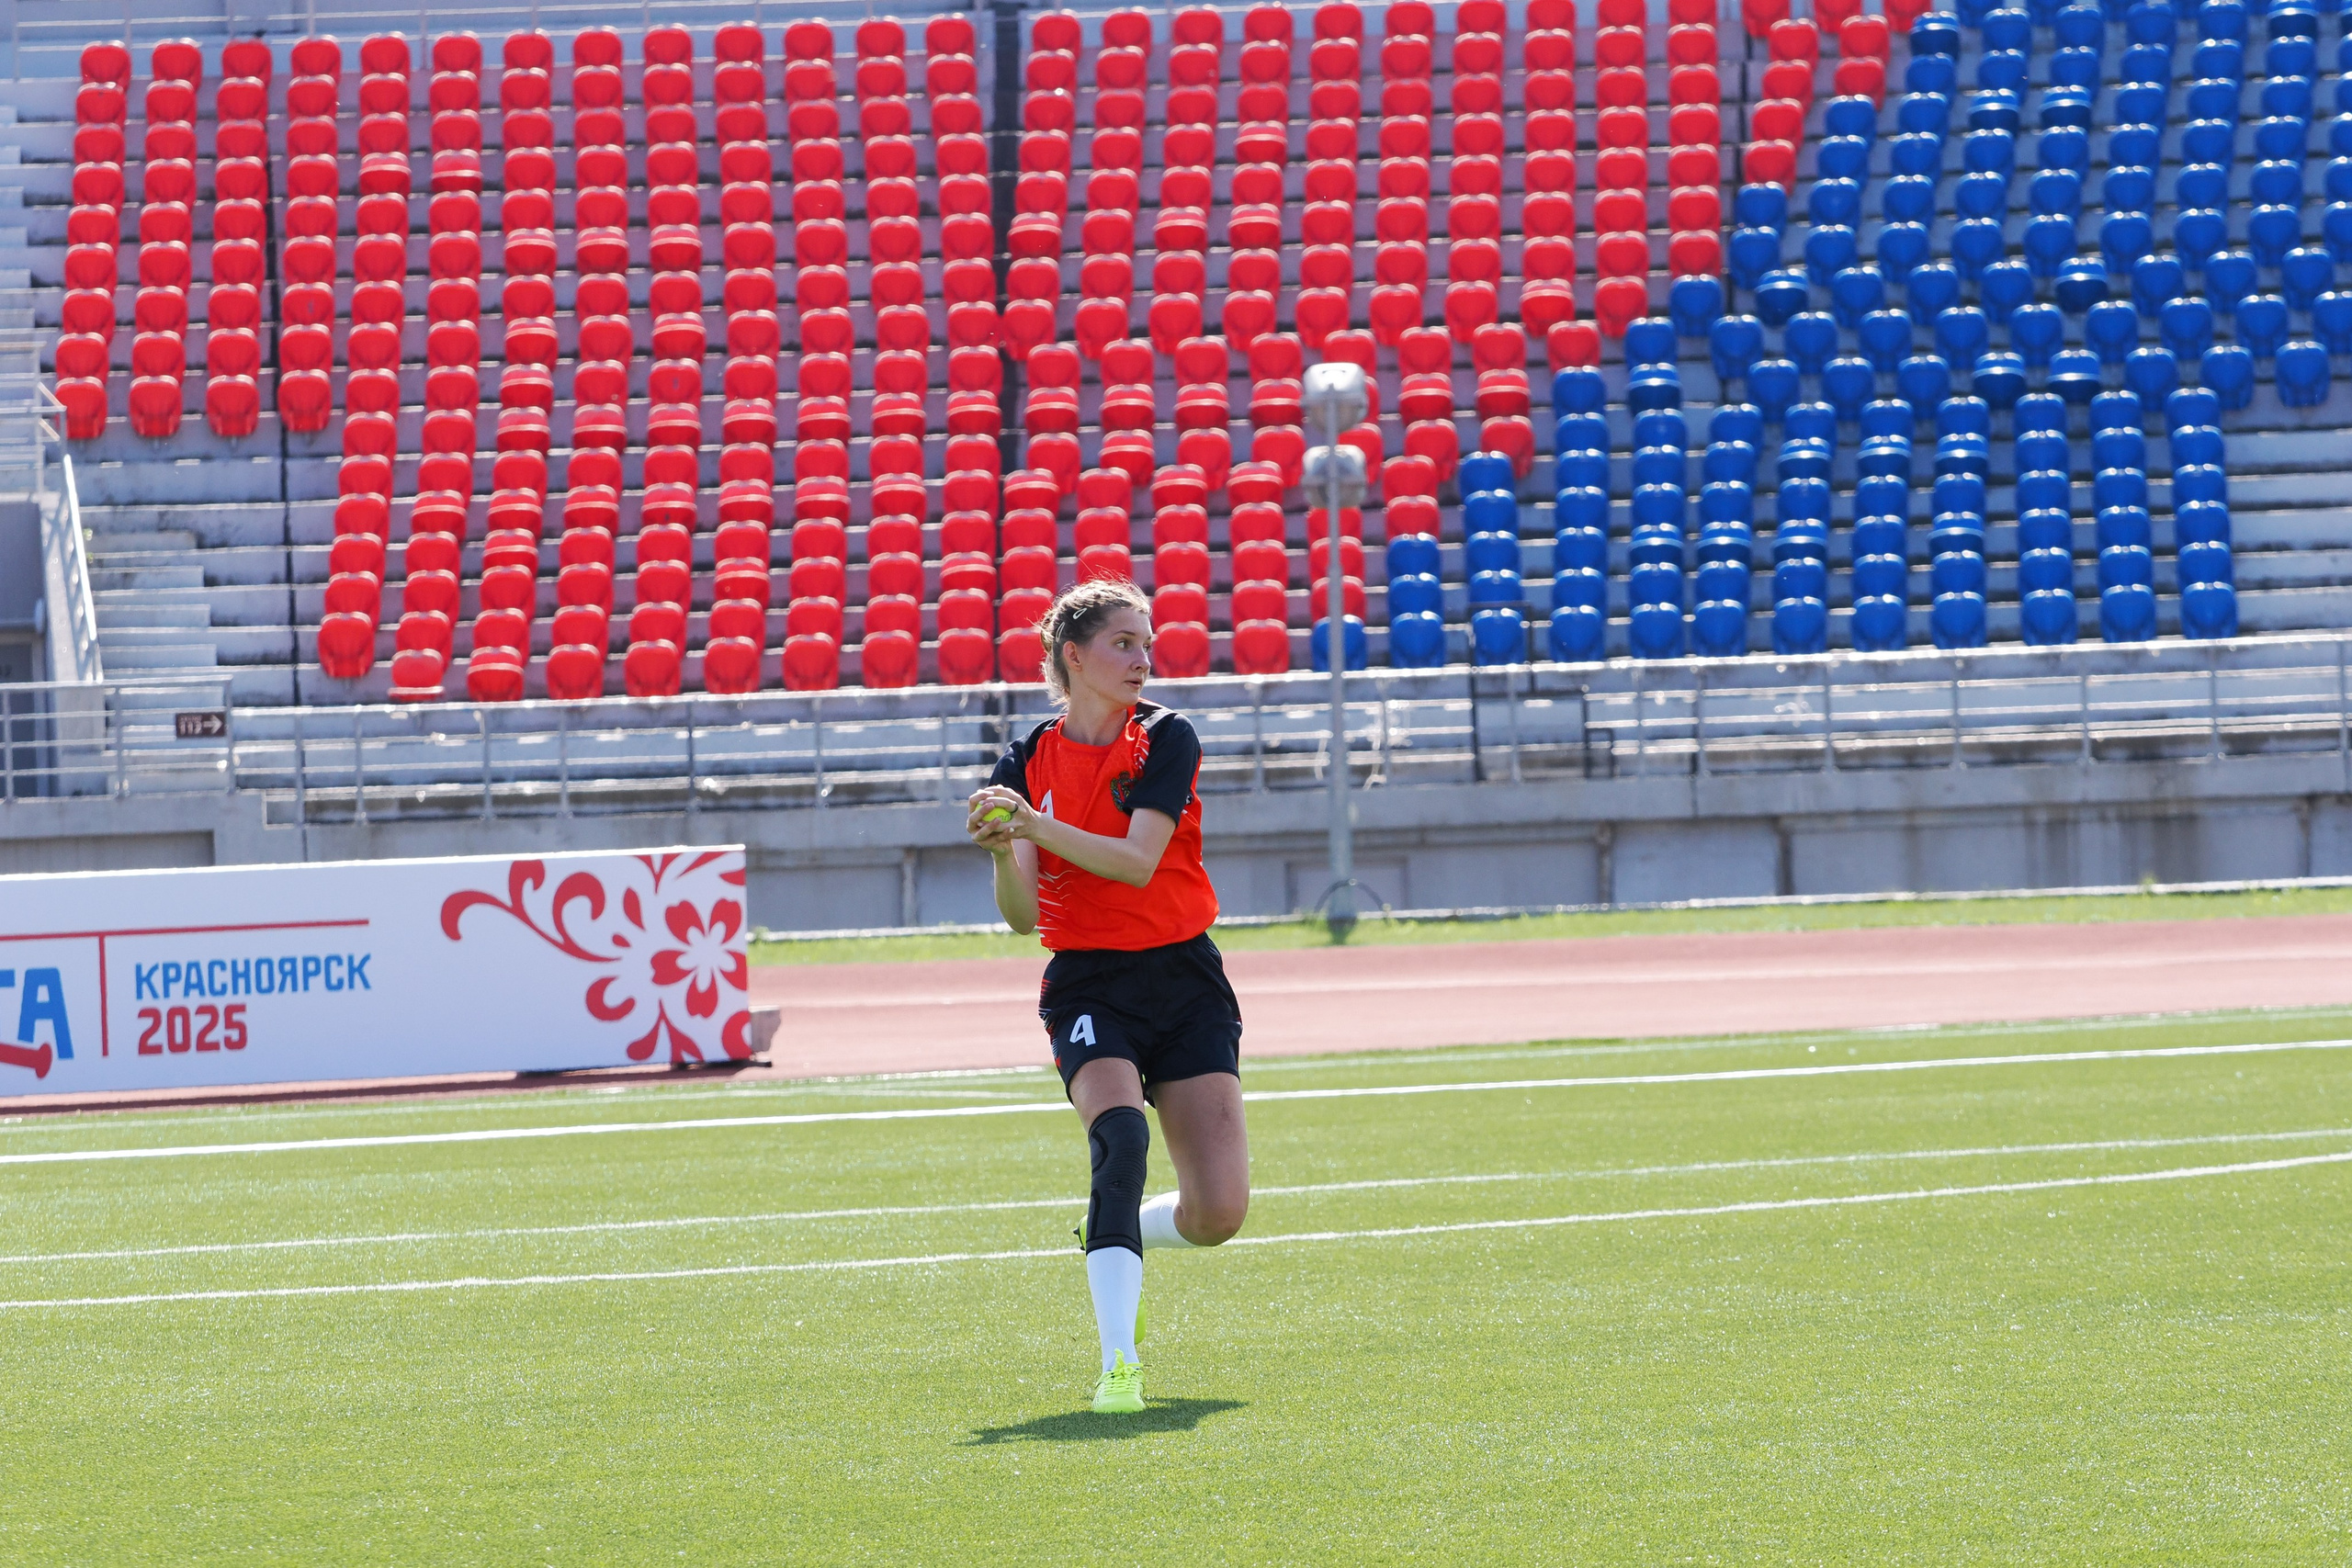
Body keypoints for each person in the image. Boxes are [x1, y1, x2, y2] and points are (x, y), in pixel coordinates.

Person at [965, 580, 1250, 1415]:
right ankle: (1118, 1361)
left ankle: (1112, 1225)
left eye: (1146, 641)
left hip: (1186, 978)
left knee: (1218, 1213)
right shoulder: (1025, 759)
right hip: (1090, 979)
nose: (1142, 658)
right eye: (1123, 642)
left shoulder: (1166, 736)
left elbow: (1134, 861)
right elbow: (1022, 918)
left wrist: (1032, 826)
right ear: (1074, 657)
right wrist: (998, 850)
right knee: (1119, 1140)